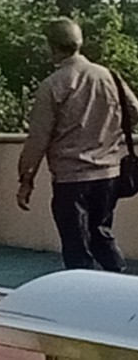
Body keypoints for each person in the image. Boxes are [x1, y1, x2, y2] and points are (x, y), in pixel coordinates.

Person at [18, 18, 138, 272]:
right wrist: (109, 131)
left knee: (76, 244)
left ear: (52, 46)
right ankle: (122, 283)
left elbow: (38, 137)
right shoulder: (108, 76)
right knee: (101, 234)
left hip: (71, 177)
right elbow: (134, 110)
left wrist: (26, 179)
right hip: (108, 173)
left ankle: (82, 289)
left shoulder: (53, 85)